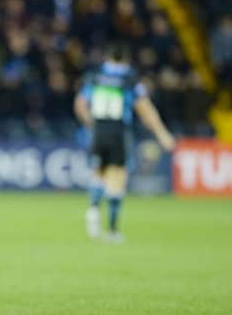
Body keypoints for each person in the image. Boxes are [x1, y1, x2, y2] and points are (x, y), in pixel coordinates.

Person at [74, 41, 175, 243]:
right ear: (126, 59)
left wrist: (90, 123)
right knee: (117, 176)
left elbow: (80, 104)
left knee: (99, 172)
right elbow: (144, 107)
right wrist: (162, 133)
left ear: (108, 57)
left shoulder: (94, 76)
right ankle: (112, 230)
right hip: (119, 131)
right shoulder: (130, 78)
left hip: (99, 129)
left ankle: (93, 208)